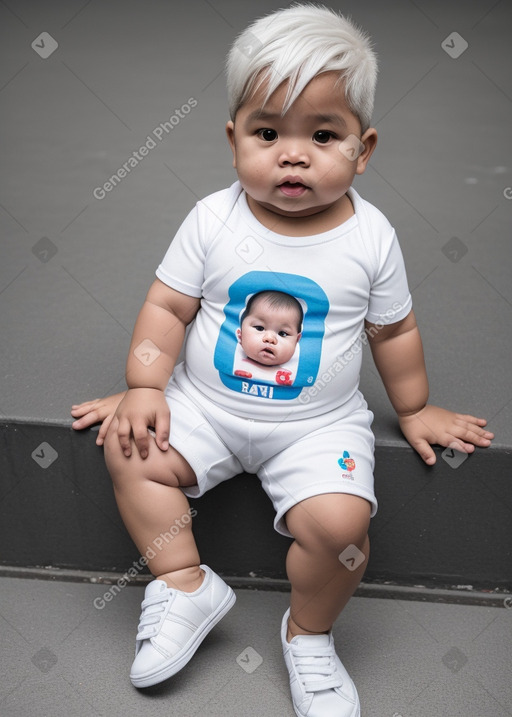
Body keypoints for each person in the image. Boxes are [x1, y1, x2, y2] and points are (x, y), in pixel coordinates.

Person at [71, 5, 494, 715]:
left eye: (323, 135)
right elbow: (168, 309)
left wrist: (415, 407)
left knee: (340, 529)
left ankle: (309, 632)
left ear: (364, 149)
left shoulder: (371, 236)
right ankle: (183, 583)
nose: (292, 154)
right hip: (204, 406)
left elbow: (393, 330)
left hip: (318, 425)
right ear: (234, 138)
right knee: (132, 452)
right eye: (268, 133)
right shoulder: (213, 219)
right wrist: (144, 385)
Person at [234, 289, 303, 385]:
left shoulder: (289, 374)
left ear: (297, 341)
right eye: (259, 328)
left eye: (282, 333)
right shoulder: (235, 361)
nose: (270, 339)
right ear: (240, 335)